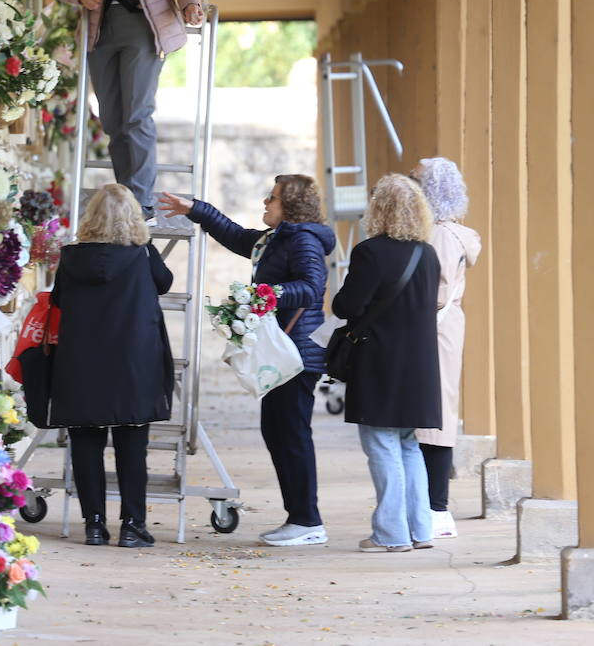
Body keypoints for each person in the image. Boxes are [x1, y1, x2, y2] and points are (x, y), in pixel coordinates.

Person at [158, 175, 336, 546]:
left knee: (291, 435)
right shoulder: (277, 239)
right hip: (284, 349)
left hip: (296, 352)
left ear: (291, 205)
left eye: (272, 198)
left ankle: (307, 521)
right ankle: (300, 518)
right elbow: (237, 236)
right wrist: (195, 209)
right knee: (279, 431)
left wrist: (266, 294)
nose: (265, 202)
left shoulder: (301, 239)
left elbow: (311, 287)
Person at [49, 0, 203, 220]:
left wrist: (190, 3)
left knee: (137, 114)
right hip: (100, 29)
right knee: (113, 118)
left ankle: (141, 201)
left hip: (144, 27)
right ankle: (127, 197)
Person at [48, 183, 175, 548]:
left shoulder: (71, 257)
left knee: (86, 441)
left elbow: (58, 300)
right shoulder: (142, 255)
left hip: (81, 361)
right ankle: (133, 525)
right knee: (132, 445)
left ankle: (94, 524)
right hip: (133, 363)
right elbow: (165, 285)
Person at [331, 174, 442, 553]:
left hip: (381, 361)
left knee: (380, 443)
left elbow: (346, 306)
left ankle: (391, 533)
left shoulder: (371, 252)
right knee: (409, 445)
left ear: (379, 208)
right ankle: (420, 529)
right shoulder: (427, 254)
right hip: (419, 365)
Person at [410, 157, 481, 538]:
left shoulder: (438, 233)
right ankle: (433, 505)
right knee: (435, 410)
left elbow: (434, 289)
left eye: (416, 180)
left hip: (433, 328)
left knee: (433, 415)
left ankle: (437, 507)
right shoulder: (449, 231)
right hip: (442, 327)